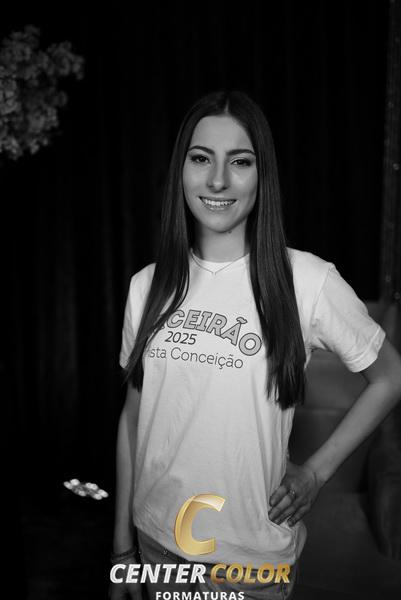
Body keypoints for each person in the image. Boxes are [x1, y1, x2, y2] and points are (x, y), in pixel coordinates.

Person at [109, 90, 401, 600]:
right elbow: (134, 419)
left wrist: (316, 473)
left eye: (240, 162)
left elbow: (391, 377)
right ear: (181, 171)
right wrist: (121, 549)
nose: (217, 180)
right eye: (201, 159)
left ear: (262, 175)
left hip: (248, 568)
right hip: (155, 545)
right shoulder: (147, 286)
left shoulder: (306, 280)